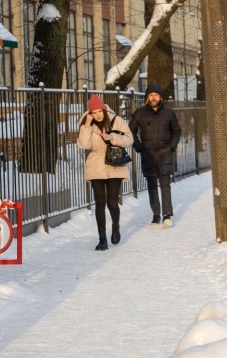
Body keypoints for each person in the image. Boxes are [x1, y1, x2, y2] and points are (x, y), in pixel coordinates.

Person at [77, 94, 134, 250]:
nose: (98, 115)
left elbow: (129, 139)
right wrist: (87, 125)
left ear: (103, 109)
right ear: (91, 114)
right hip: (96, 164)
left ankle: (115, 225)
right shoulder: (88, 124)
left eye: (99, 111)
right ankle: (102, 239)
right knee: (99, 203)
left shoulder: (116, 120)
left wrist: (113, 137)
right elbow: (84, 145)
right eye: (94, 113)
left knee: (112, 202)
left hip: (114, 164)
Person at [129, 84, 182, 227]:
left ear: (161, 97)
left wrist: (171, 147)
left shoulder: (169, 113)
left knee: (165, 184)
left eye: (156, 95)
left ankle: (167, 215)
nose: (153, 98)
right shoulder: (139, 113)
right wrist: (139, 147)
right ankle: (156, 214)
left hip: (165, 153)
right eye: (151, 95)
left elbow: (177, 131)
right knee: (152, 185)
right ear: (147, 97)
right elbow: (130, 132)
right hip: (148, 153)